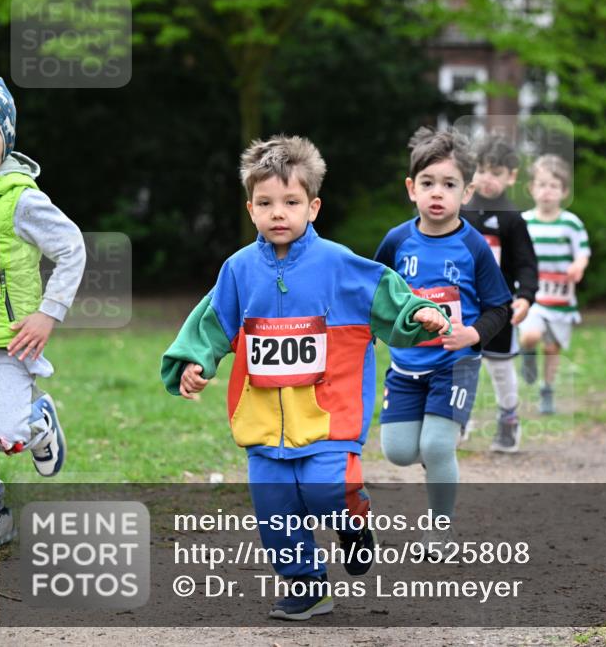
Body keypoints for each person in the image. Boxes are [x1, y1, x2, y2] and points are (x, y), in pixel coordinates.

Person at [161, 135, 450, 620]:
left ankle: (352, 517)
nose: (279, 213)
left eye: (291, 202)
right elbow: (211, 323)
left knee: (323, 490)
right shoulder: (237, 270)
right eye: (266, 203)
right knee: (274, 509)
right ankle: (305, 585)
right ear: (250, 208)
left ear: (312, 207)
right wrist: (196, 362)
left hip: (329, 416)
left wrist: (419, 313)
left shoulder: (337, 263)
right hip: (262, 423)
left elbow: (389, 295)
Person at [373, 127, 512, 552]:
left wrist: (472, 333)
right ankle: (441, 458)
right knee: (398, 451)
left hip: (456, 364)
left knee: (435, 445)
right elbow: (372, 295)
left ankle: (439, 530)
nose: (438, 193)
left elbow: (500, 307)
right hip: (404, 366)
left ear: (466, 192)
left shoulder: (473, 246)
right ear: (411, 188)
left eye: (449, 185)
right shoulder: (397, 242)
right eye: (428, 183)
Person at [0, 77, 85, 549]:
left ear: (8, 137)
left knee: (4, 433)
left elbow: (71, 248)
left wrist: (49, 313)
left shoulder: (21, 198)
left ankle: (37, 420)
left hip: (9, 341)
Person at [461, 134, 538, 453]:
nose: (486, 179)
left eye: (496, 173)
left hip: (498, 306)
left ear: (511, 176)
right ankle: (454, 419)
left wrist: (526, 296)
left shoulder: (512, 218)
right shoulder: (459, 209)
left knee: (499, 365)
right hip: (461, 302)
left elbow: (526, 263)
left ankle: (508, 420)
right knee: (459, 362)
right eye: (481, 170)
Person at [518, 155, 591, 415]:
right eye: (542, 185)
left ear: (564, 191)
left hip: (561, 296)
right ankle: (526, 352)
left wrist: (578, 266)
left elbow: (582, 251)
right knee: (531, 335)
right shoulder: (523, 222)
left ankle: (546, 388)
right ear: (531, 189)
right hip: (531, 295)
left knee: (551, 348)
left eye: (553, 186)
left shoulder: (571, 223)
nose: (547, 191)